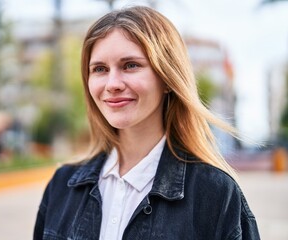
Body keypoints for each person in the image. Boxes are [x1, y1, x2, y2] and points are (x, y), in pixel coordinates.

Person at [34, 6, 260, 240]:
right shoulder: (62, 186)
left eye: (130, 65)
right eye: (100, 69)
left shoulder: (215, 194)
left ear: (167, 78)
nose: (112, 84)